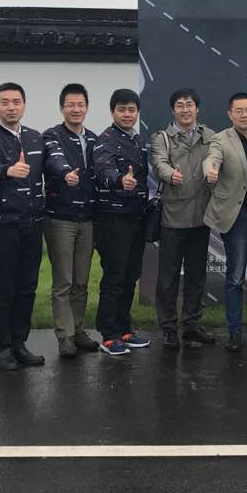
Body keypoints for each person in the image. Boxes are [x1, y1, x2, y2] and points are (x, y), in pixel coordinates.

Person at [0, 82, 48, 371]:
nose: (11, 107)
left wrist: (67, 174)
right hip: (3, 226)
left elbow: (51, 168)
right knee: (4, 287)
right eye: (5, 102)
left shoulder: (35, 138)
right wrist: (8, 169)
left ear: (24, 105)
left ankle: (20, 343)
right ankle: (2, 348)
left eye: (16, 102)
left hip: (33, 224)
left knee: (27, 287)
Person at [204, 92, 247, 353]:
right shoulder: (220, 139)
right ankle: (234, 332)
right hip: (237, 217)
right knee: (235, 277)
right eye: (239, 110)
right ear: (230, 114)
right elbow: (212, 159)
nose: (245, 115)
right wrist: (210, 171)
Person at [150, 87, 217, 350]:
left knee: (196, 276)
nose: (185, 109)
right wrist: (170, 175)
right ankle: (168, 328)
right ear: (173, 110)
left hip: (201, 218)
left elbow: (217, 161)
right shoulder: (162, 138)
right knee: (168, 278)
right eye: (180, 105)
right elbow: (159, 163)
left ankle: (191, 325)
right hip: (173, 218)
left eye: (189, 104)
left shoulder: (210, 136)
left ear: (197, 108)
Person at [41, 83, 101, 358]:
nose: (76, 110)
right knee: (63, 281)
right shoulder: (51, 136)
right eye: (70, 105)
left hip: (87, 218)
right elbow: (55, 159)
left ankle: (77, 330)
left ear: (87, 107)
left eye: (81, 105)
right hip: (60, 218)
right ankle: (64, 335)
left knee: (81, 281)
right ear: (62, 108)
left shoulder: (94, 139)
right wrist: (66, 173)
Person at [91, 88, 151, 357]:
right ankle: (109, 334)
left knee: (130, 275)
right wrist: (119, 180)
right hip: (112, 219)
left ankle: (124, 329)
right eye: (122, 109)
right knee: (114, 277)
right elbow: (103, 170)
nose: (127, 114)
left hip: (135, 217)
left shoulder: (137, 139)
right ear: (112, 111)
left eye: (131, 110)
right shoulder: (105, 140)